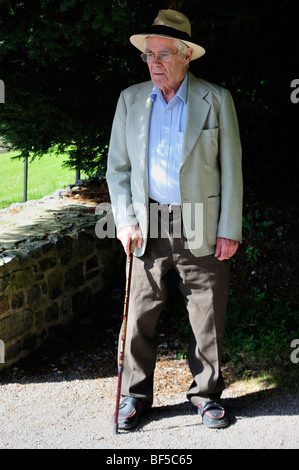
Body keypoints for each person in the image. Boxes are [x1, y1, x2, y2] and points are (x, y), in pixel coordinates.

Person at [106, 9, 243, 429]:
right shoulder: (130, 100)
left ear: (187, 55)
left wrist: (229, 228)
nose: (154, 63)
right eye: (149, 55)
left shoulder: (215, 99)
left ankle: (206, 396)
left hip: (202, 219)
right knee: (140, 313)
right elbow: (119, 169)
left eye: (163, 54)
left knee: (206, 314)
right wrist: (125, 220)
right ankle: (134, 396)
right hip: (147, 221)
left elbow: (231, 169)